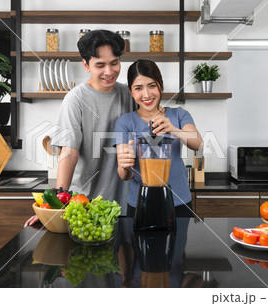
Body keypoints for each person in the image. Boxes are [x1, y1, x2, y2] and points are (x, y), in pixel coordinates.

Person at [25, 30, 135, 226]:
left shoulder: (128, 94)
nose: (109, 71)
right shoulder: (75, 99)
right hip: (84, 204)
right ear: (86, 65)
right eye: (100, 65)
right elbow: (69, 153)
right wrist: (56, 206)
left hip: (123, 204)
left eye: (114, 63)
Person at [114, 59, 203, 217]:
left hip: (179, 202)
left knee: (178, 242)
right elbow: (124, 175)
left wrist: (174, 130)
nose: (147, 94)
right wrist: (124, 165)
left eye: (152, 86)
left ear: (160, 85)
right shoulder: (125, 122)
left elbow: (198, 144)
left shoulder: (179, 115)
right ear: (130, 91)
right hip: (140, 204)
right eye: (138, 88)